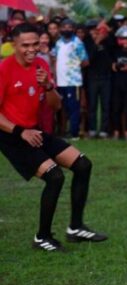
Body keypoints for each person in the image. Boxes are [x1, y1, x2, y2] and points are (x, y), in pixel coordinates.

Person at [0, 23, 107, 252]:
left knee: (83, 165)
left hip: (34, 130)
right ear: (14, 45)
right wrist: (21, 132)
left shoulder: (41, 64)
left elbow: (56, 105)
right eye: (25, 45)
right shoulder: (4, 69)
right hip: (11, 135)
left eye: (35, 44)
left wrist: (48, 86)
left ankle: (76, 228)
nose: (31, 49)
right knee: (54, 177)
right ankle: (43, 237)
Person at [52, 19, 88, 139]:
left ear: (73, 29)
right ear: (61, 29)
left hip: (73, 82)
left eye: (69, 27)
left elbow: (85, 61)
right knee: (63, 108)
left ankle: (74, 133)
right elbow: (54, 57)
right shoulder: (58, 43)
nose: (67, 29)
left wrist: (73, 67)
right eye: (64, 27)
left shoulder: (77, 43)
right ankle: (64, 131)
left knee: (74, 108)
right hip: (60, 82)